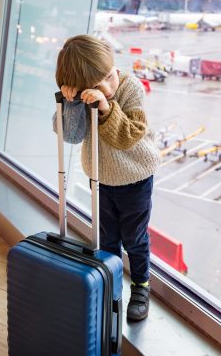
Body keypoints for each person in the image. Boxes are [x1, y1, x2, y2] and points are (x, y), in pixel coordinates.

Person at [53, 34, 160, 321]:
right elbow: (71, 136)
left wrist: (105, 107)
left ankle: (141, 284)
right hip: (101, 179)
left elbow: (129, 137)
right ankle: (110, 283)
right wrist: (72, 102)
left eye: (110, 76)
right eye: (98, 85)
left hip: (136, 177)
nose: (108, 86)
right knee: (106, 237)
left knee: (134, 238)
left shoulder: (130, 88)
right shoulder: (83, 96)